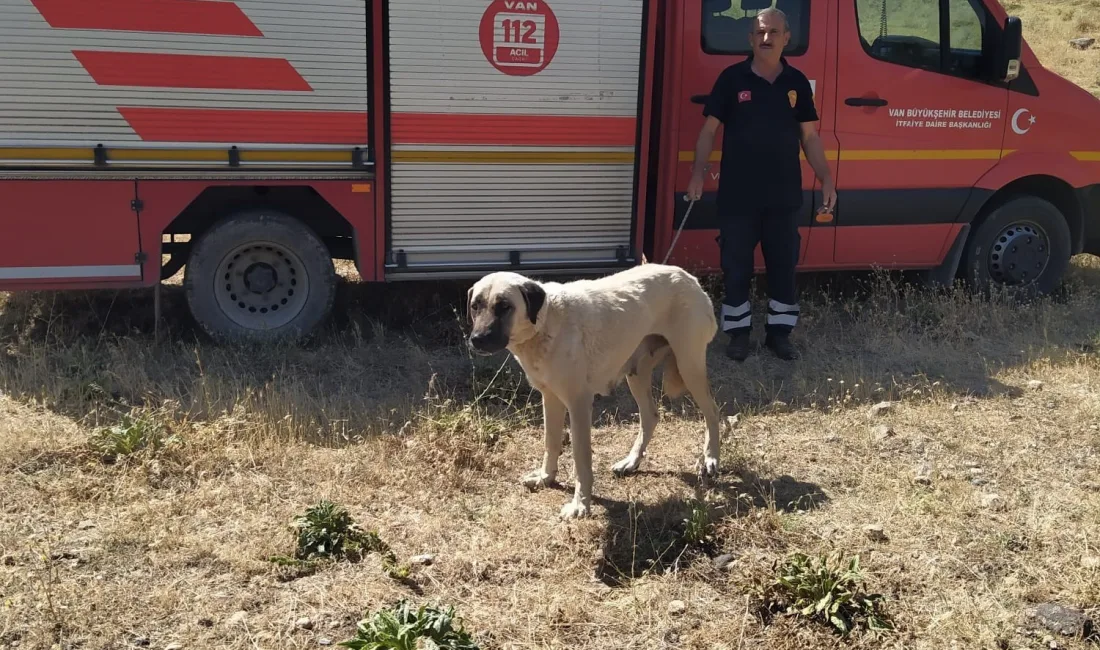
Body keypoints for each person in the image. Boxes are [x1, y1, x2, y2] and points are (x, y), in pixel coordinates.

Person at [686, 7, 835, 362]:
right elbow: (708, 131)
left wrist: (826, 176)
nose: (766, 38)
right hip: (738, 197)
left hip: (783, 197)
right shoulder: (731, 79)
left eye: (774, 32)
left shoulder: (796, 83)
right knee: (736, 268)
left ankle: (779, 336)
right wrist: (696, 172)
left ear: (787, 38)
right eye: (760, 32)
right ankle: (738, 335)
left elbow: (810, 137)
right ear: (751, 38)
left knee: (783, 268)